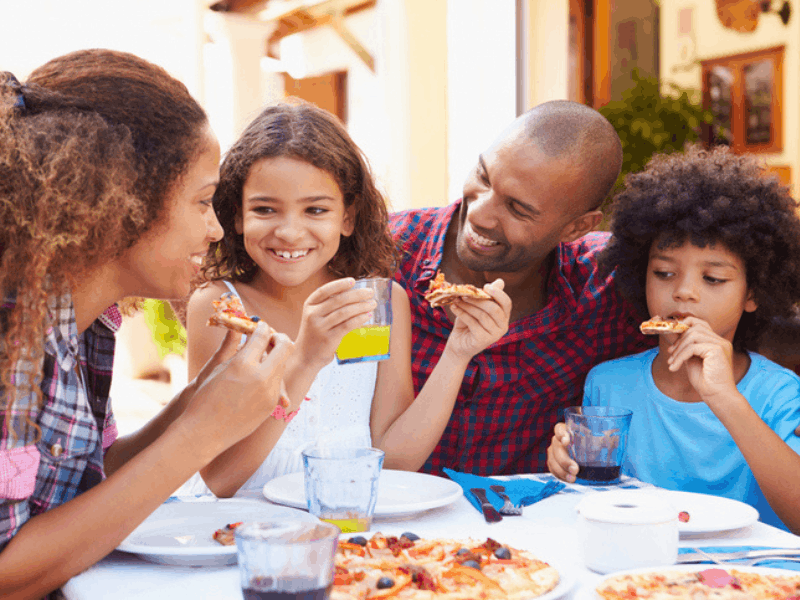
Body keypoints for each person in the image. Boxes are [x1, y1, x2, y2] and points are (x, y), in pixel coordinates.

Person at [0, 51, 294, 599]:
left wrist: (203, 398)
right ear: (125, 206)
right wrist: (200, 434)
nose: (214, 228)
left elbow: (86, 478)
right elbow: (7, 574)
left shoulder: (86, 326)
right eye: (203, 201)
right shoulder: (13, 338)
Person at [184, 101, 512, 498]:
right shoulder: (222, 309)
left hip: (346, 530)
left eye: (316, 210)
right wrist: (305, 360)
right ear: (236, 216)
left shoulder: (378, 304)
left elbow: (392, 461)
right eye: (265, 209)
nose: (289, 232)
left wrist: (457, 354)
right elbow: (221, 478)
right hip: (234, 533)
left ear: (348, 217)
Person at [389, 100, 654, 476]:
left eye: (517, 208)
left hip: (526, 529)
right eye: (483, 177)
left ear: (576, 227)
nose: (480, 212)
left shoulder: (608, 287)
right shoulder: (385, 253)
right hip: (388, 528)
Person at [546, 145, 800, 533]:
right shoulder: (608, 383)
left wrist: (724, 397)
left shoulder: (780, 393)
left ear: (753, 294)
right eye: (664, 273)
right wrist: (568, 469)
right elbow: (597, 505)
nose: (684, 292)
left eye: (713, 279)